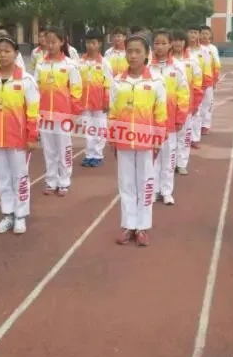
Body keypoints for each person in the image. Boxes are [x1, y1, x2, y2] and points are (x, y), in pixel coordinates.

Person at [0, 34, 40, 234]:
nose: (2, 55)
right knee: (2, 177)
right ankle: (8, 214)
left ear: (15, 54)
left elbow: (32, 111)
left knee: (20, 177)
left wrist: (32, 137)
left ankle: (20, 215)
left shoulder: (26, 80)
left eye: (7, 51)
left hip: (18, 139)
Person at [109, 35, 167, 247]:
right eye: (129, 51)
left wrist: (159, 138)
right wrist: (113, 137)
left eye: (137, 52)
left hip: (146, 142)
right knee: (126, 184)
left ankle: (142, 226)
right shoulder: (118, 81)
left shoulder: (156, 81)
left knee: (145, 183)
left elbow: (160, 113)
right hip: (124, 141)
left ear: (146, 54)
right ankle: (128, 225)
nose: (132, 56)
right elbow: (113, 112)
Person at [34, 26, 83, 196]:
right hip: (44, 114)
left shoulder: (70, 65)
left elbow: (76, 90)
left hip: (63, 114)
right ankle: (51, 180)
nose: (51, 45)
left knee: (64, 148)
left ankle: (64, 181)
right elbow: (35, 89)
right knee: (49, 149)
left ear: (62, 42)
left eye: (54, 42)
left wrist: (75, 112)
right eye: (48, 42)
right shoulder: (41, 64)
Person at [148, 29, 188, 205]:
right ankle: (154, 190)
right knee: (153, 157)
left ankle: (166, 191)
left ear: (170, 44)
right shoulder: (147, 66)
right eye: (157, 43)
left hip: (170, 122)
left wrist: (180, 117)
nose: (160, 46)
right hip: (151, 122)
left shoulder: (178, 67)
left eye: (164, 43)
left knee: (169, 157)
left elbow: (183, 94)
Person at [78, 30, 113, 167]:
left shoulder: (104, 63)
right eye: (88, 43)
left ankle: (97, 155)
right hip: (84, 102)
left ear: (99, 44)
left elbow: (108, 83)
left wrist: (106, 101)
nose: (90, 46)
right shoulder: (80, 62)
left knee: (99, 129)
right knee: (87, 129)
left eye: (93, 43)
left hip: (99, 103)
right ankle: (88, 154)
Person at [171, 30, 203, 175]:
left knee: (184, 135)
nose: (177, 43)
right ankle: (169, 164)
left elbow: (197, 84)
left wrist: (195, 103)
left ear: (185, 43)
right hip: (169, 106)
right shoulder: (166, 61)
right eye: (175, 40)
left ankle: (181, 163)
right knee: (169, 137)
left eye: (180, 40)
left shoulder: (192, 61)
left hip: (186, 106)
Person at [187, 27, 212, 149]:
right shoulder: (183, 50)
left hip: (198, 86)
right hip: (184, 86)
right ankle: (186, 137)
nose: (192, 35)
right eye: (190, 32)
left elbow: (207, 69)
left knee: (197, 112)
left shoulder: (204, 51)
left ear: (198, 35)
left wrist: (205, 86)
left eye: (195, 32)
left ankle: (195, 138)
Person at [199, 25, 221, 135]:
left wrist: (215, 80)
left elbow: (216, 65)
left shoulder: (213, 49)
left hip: (209, 80)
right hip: (196, 81)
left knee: (207, 103)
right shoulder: (194, 48)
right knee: (197, 104)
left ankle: (205, 125)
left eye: (206, 34)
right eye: (202, 33)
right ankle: (197, 125)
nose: (204, 36)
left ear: (210, 35)